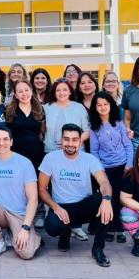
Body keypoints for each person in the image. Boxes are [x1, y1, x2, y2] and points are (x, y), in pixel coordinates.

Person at [39, 124, 114, 267]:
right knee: (52, 227)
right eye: (66, 139)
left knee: (106, 199)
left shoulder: (89, 159)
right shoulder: (50, 158)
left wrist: (106, 200)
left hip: (85, 206)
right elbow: (42, 189)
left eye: (74, 140)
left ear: (80, 141)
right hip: (62, 207)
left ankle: (98, 248)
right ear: (61, 140)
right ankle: (65, 233)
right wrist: (55, 207)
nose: (70, 143)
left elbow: (104, 182)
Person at [0, 127, 41, 260]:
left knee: (26, 253)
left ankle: (30, 235)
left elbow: (33, 199)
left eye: (5, 139)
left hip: (20, 214)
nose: (1, 143)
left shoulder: (24, 163)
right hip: (0, 212)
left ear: (11, 142)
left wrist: (25, 228)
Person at [43, 79, 91, 240]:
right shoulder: (46, 108)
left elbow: (87, 130)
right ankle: (60, 222)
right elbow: (43, 129)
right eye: (58, 90)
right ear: (54, 93)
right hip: (51, 154)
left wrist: (73, 143)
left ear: (70, 91)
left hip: (74, 155)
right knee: (56, 189)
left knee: (75, 188)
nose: (61, 93)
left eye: (65, 90)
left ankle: (76, 226)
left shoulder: (78, 108)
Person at [89, 92, 133, 243]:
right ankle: (108, 228)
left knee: (121, 198)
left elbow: (128, 146)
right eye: (99, 105)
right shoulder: (94, 128)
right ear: (95, 108)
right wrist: (100, 170)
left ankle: (120, 229)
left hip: (122, 167)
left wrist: (129, 164)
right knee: (109, 197)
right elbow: (94, 151)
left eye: (105, 104)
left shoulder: (119, 124)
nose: (102, 107)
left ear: (111, 105)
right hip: (105, 168)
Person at [5, 80, 45, 171]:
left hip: (36, 153)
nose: (24, 94)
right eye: (20, 92)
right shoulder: (8, 111)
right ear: (16, 95)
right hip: (16, 154)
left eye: (26, 90)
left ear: (31, 91)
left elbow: (44, 131)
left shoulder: (40, 109)